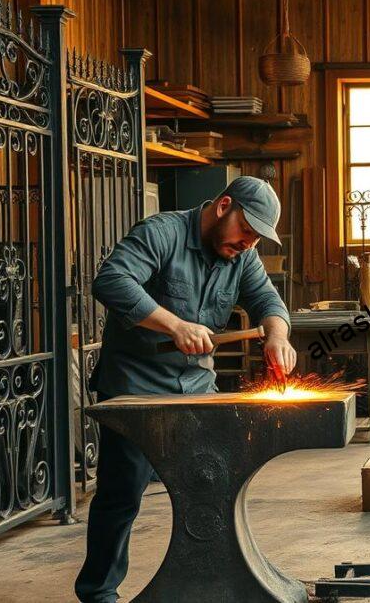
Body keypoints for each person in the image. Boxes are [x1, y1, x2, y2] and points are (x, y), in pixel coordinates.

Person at [74, 176, 296, 603]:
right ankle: (98, 591)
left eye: (256, 239)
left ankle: (213, 581)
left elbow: (269, 303)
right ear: (223, 206)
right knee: (122, 494)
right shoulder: (162, 233)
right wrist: (173, 324)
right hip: (136, 390)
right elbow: (111, 281)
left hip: (197, 388)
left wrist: (277, 336)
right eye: (246, 231)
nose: (249, 244)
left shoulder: (241, 257)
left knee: (213, 484)